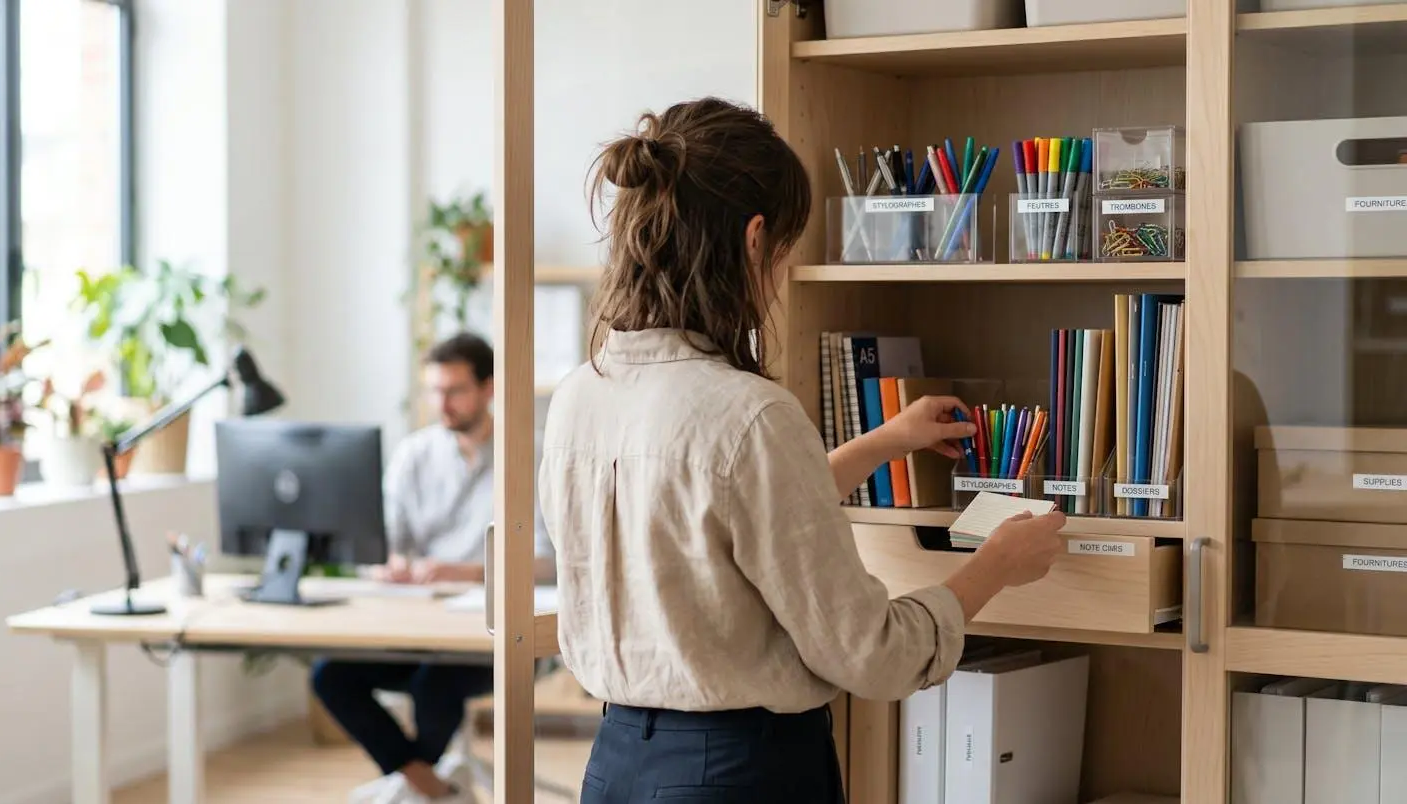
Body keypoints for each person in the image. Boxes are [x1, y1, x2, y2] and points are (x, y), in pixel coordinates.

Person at [538, 97, 1067, 803]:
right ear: (755, 239)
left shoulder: (582, 393)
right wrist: (995, 566)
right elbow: (874, 655)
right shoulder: (751, 415)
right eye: (786, 250)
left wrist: (887, 440)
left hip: (614, 768)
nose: (782, 276)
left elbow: (719, 525)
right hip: (741, 776)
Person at [313, 333, 554, 804]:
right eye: (434, 391)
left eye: (454, 391)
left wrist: (457, 572)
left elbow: (548, 564)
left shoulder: (530, 453)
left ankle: (415, 787)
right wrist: (390, 565)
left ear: (488, 389)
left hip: (494, 637)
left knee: (433, 683)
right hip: (417, 628)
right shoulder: (414, 456)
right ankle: (433, 788)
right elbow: (383, 547)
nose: (441, 404)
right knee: (330, 675)